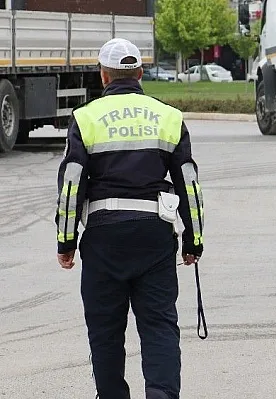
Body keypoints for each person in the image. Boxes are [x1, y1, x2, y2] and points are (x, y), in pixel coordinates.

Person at [54, 37, 205, 399]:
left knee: (105, 331)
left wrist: (66, 241)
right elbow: (189, 182)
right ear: (140, 72)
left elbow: (72, 184)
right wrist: (193, 240)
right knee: (159, 327)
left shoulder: (85, 118)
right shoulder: (169, 117)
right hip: (154, 236)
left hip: (105, 238)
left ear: (103, 75)